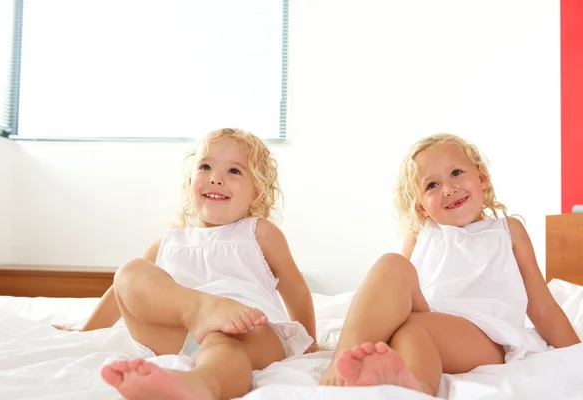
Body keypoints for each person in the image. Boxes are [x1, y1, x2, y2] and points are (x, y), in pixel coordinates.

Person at [57, 128, 317, 400]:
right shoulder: (168, 243)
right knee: (130, 271)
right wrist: (86, 331)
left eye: (234, 171)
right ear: (190, 179)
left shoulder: (258, 232)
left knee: (221, 343)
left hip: (249, 329)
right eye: (205, 166)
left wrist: (308, 340)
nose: (216, 178)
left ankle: (201, 384)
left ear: (257, 193)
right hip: (180, 333)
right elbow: (121, 293)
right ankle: (199, 309)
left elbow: (295, 288)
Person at [319, 133, 580, 396]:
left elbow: (541, 304)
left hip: (485, 334)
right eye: (432, 185)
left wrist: (576, 352)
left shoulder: (507, 231)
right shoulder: (422, 233)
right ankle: (345, 359)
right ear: (421, 207)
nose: (448, 188)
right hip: (430, 317)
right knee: (391, 266)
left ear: (482, 178)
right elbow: (398, 292)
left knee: (412, 330)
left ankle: (417, 386)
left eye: (456, 172)